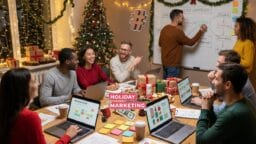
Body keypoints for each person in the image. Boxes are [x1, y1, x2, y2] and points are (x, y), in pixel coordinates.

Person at [0, 68, 81, 144]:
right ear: (24, 88)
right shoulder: (29, 117)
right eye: (34, 81)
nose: (38, 84)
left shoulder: (6, 110)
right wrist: (67, 136)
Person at [196, 63, 256, 143]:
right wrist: (210, 108)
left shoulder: (233, 113)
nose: (212, 82)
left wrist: (204, 109)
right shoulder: (240, 101)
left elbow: (201, 141)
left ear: (227, 85)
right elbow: (219, 124)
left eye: (216, 79)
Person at [191, 50, 256, 113]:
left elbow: (221, 110)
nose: (216, 65)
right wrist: (212, 80)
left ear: (228, 66)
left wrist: (202, 103)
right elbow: (221, 97)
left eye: (219, 63)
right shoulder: (235, 76)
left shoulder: (237, 81)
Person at [159, 9, 207, 79]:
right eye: (182, 17)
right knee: (172, 87)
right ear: (176, 18)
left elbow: (160, 43)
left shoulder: (164, 29)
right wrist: (201, 31)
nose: (183, 19)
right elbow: (191, 42)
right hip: (173, 66)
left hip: (165, 64)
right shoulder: (178, 32)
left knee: (165, 86)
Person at [233, 16, 256, 90]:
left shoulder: (248, 43)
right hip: (236, 74)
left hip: (242, 77)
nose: (234, 28)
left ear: (243, 28)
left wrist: (232, 60)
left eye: (236, 26)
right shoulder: (239, 41)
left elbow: (248, 63)